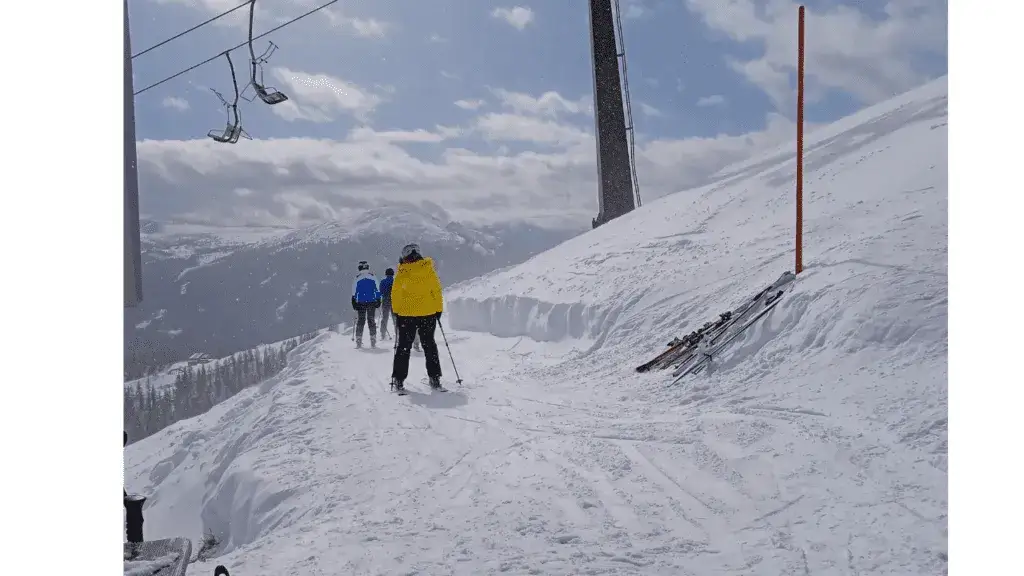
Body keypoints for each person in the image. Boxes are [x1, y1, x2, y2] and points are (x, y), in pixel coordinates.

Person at [390, 243, 444, 391]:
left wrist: (396, 311)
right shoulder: (428, 269)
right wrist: (438, 310)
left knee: (403, 346)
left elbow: (396, 293)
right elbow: (436, 291)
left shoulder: (403, 271)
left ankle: (399, 379)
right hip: (428, 313)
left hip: (406, 315)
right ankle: (435, 378)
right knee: (429, 345)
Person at [351, 261, 381, 348]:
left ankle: (358, 339)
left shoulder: (357, 278)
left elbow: (354, 292)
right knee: (371, 320)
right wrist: (378, 299)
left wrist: (353, 300)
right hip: (371, 301)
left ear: (359, 268)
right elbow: (377, 289)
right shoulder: (373, 276)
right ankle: (373, 339)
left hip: (360, 302)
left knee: (361, 320)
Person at [378, 268, 395, 339]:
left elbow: (381, 292)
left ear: (386, 274)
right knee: (395, 317)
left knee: (385, 317)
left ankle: (383, 333)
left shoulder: (383, 282)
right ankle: (397, 332)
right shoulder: (395, 281)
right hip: (394, 300)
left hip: (385, 300)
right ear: (393, 274)